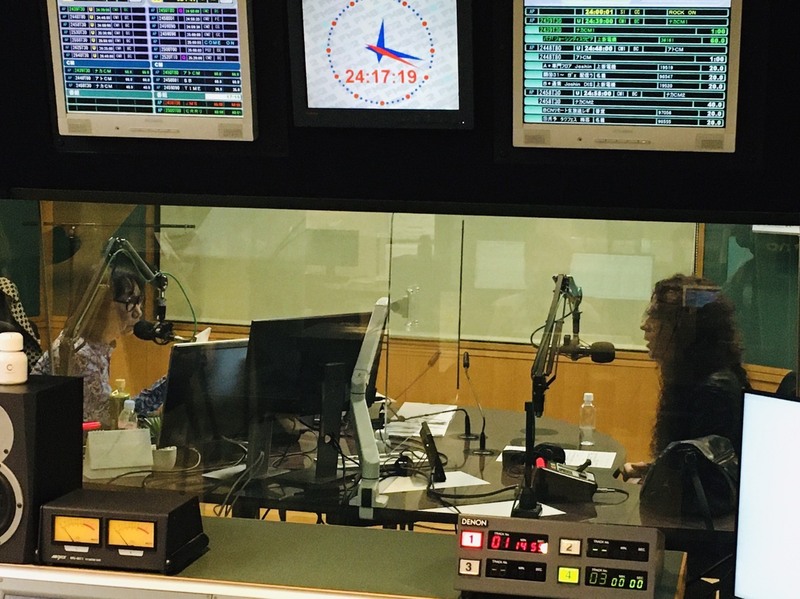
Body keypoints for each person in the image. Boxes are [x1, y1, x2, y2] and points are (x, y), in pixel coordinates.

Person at [619, 273, 751, 482]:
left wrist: (657, 477)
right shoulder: (690, 376)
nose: (645, 325)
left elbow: (706, 479)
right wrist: (653, 469)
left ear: (684, 330)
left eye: (657, 316)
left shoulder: (715, 389)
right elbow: (691, 462)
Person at [32, 257, 166, 427]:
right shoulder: (79, 353)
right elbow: (110, 420)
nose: (138, 313)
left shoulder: (95, 346)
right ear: (101, 304)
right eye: (130, 302)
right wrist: (168, 384)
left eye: (139, 302)